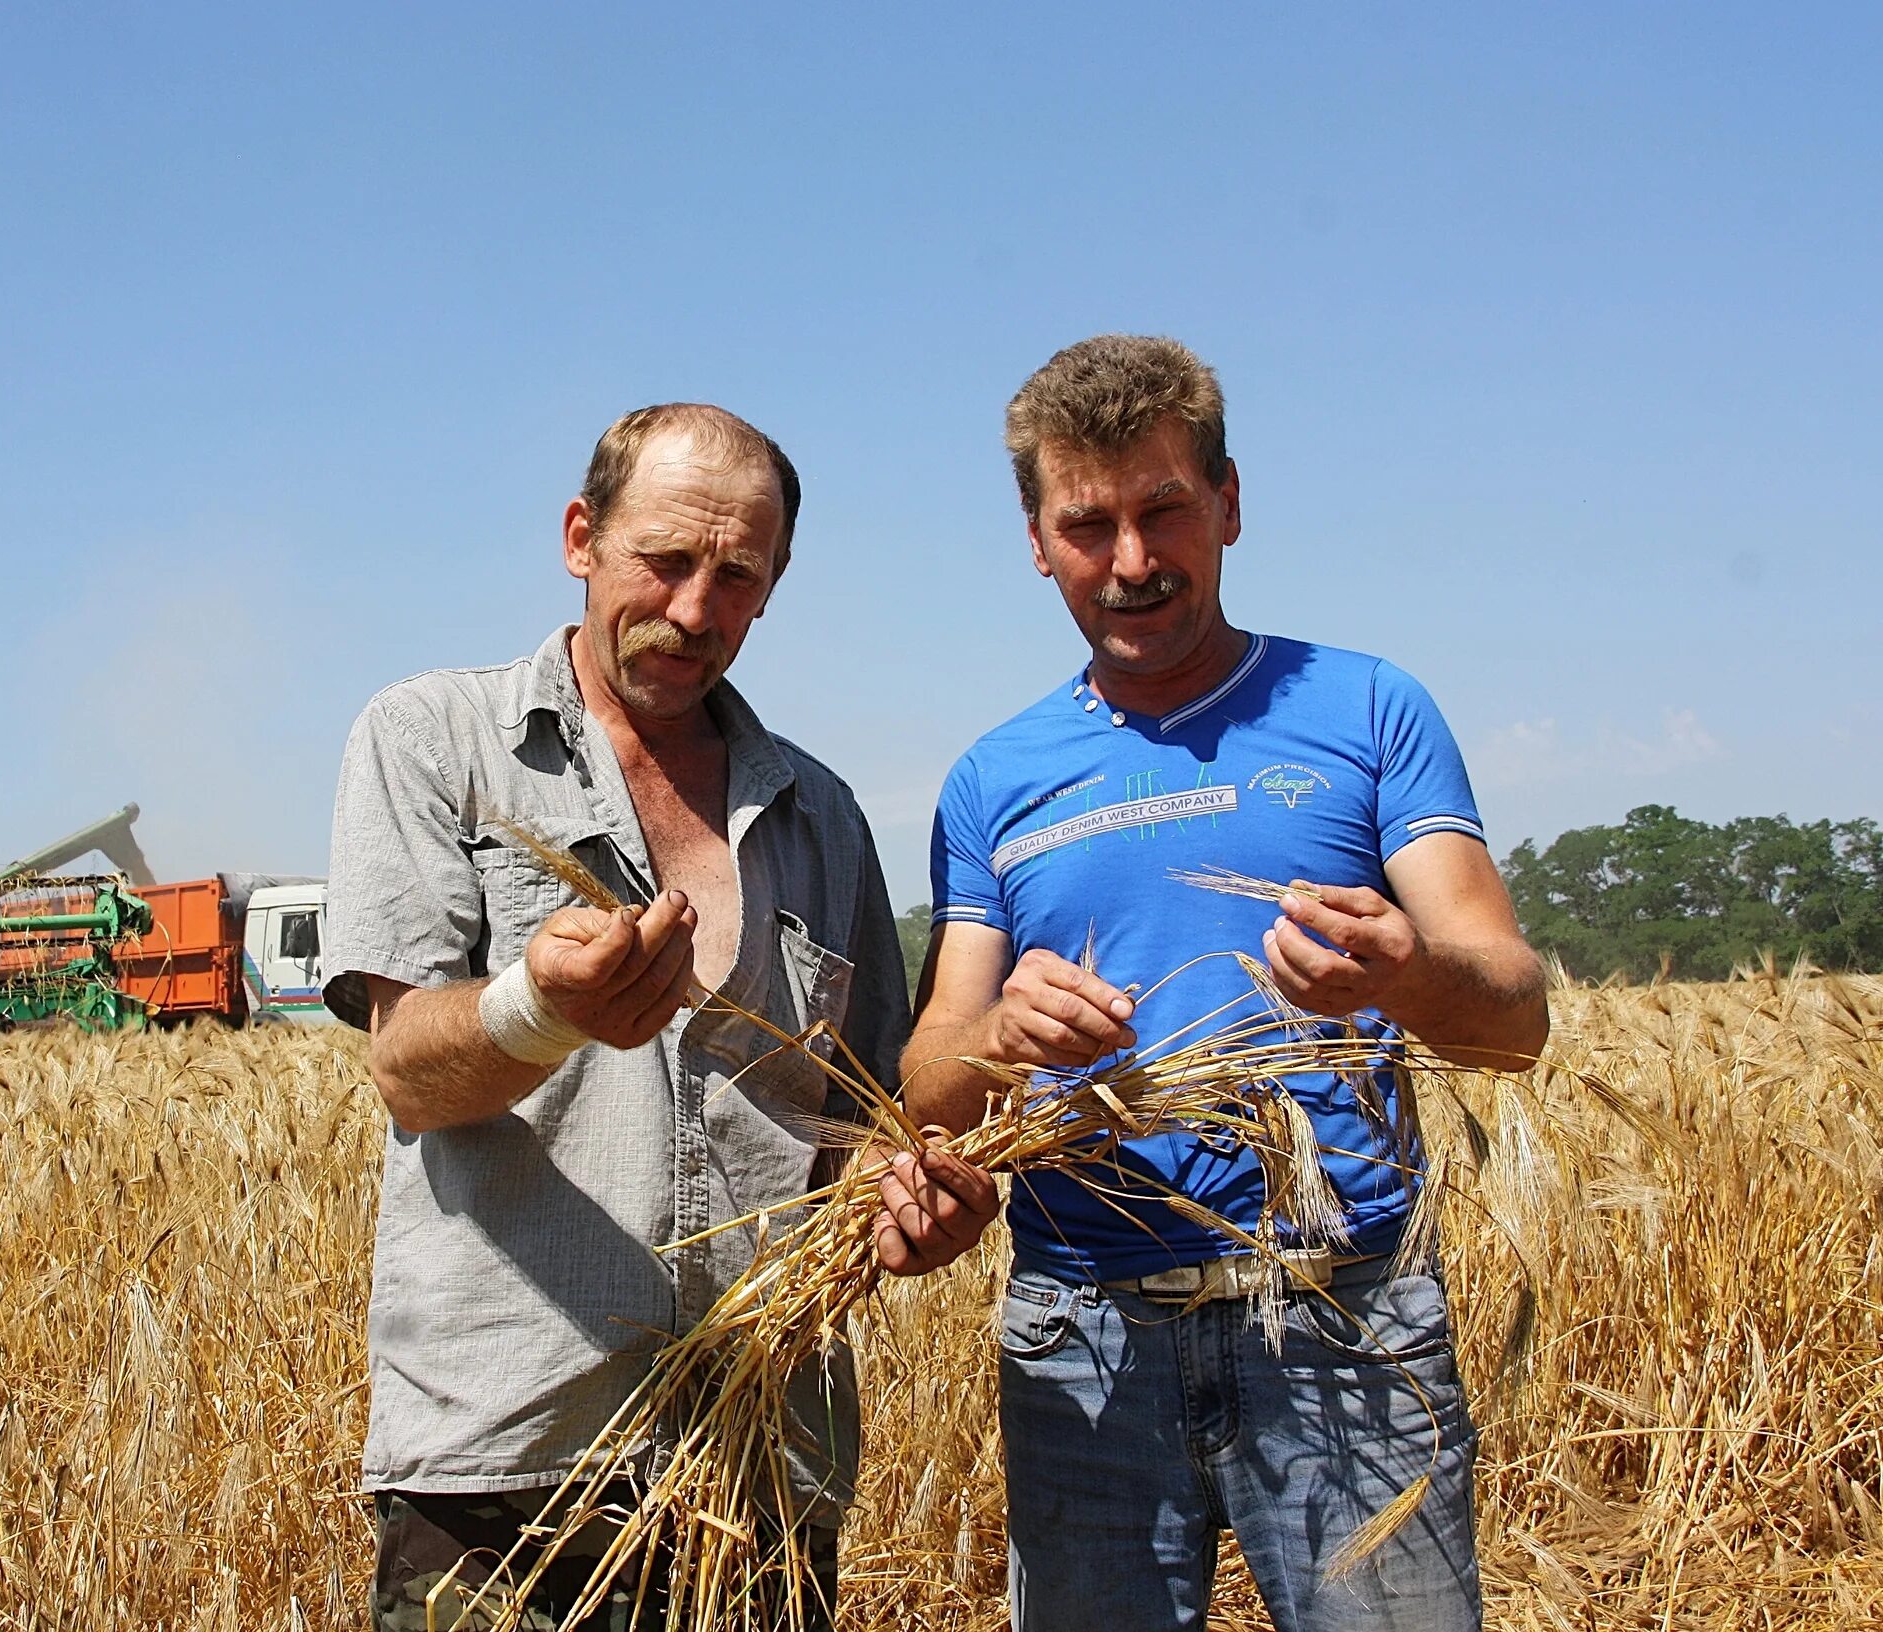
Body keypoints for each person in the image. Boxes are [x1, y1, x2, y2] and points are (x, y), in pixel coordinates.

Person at [903, 336, 1550, 1632]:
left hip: (1348, 1315)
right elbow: (929, 1078)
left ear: (1231, 504)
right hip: (1082, 1333)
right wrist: (1002, 1038)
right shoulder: (992, 780)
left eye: (1164, 511)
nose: (1132, 562)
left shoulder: (1369, 711)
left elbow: (1515, 1016)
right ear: (1037, 538)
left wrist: (1407, 971)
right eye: (1089, 525)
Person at [322, 403, 999, 1631]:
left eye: (737, 575)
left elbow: (862, 1120)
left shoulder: (822, 817)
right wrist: (542, 1006)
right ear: (581, 537)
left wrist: (910, 1205)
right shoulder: (435, 740)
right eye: (667, 561)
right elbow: (409, 1071)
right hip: (511, 1474)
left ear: (772, 588)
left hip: (758, 1477)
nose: (696, 610)